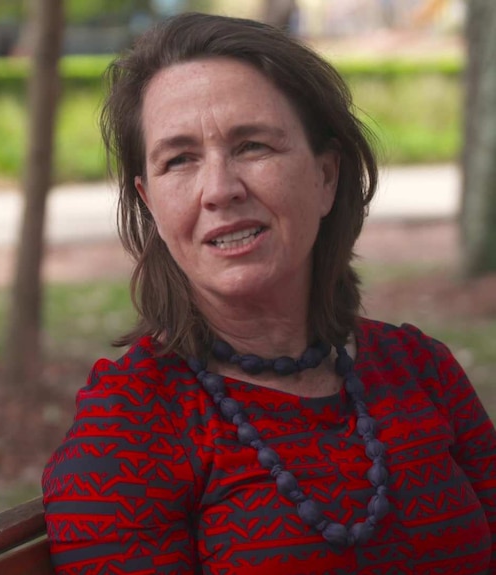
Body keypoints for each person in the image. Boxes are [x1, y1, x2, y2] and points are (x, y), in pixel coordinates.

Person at [42, 12, 496, 574]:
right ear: (150, 203)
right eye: (179, 159)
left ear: (326, 177)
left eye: (252, 146)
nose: (220, 190)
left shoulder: (421, 371)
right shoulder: (133, 432)